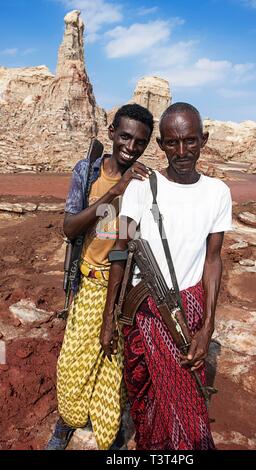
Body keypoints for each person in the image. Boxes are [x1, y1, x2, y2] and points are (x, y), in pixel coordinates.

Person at [100, 102, 232, 450]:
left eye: (190, 140)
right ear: (160, 144)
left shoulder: (218, 192)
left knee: (189, 404)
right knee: (145, 399)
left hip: (186, 312)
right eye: (172, 143)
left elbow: (213, 260)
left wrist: (208, 327)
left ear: (204, 139)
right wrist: (108, 319)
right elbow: (119, 250)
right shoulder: (142, 186)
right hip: (142, 311)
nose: (182, 151)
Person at [46, 103, 154, 450]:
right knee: (74, 361)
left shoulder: (142, 183)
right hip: (88, 282)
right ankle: (66, 422)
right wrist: (113, 192)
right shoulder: (88, 172)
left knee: (112, 363)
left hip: (122, 287)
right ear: (111, 133)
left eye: (140, 141)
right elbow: (69, 227)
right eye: (125, 136)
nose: (131, 147)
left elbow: (133, 239)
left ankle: (108, 432)